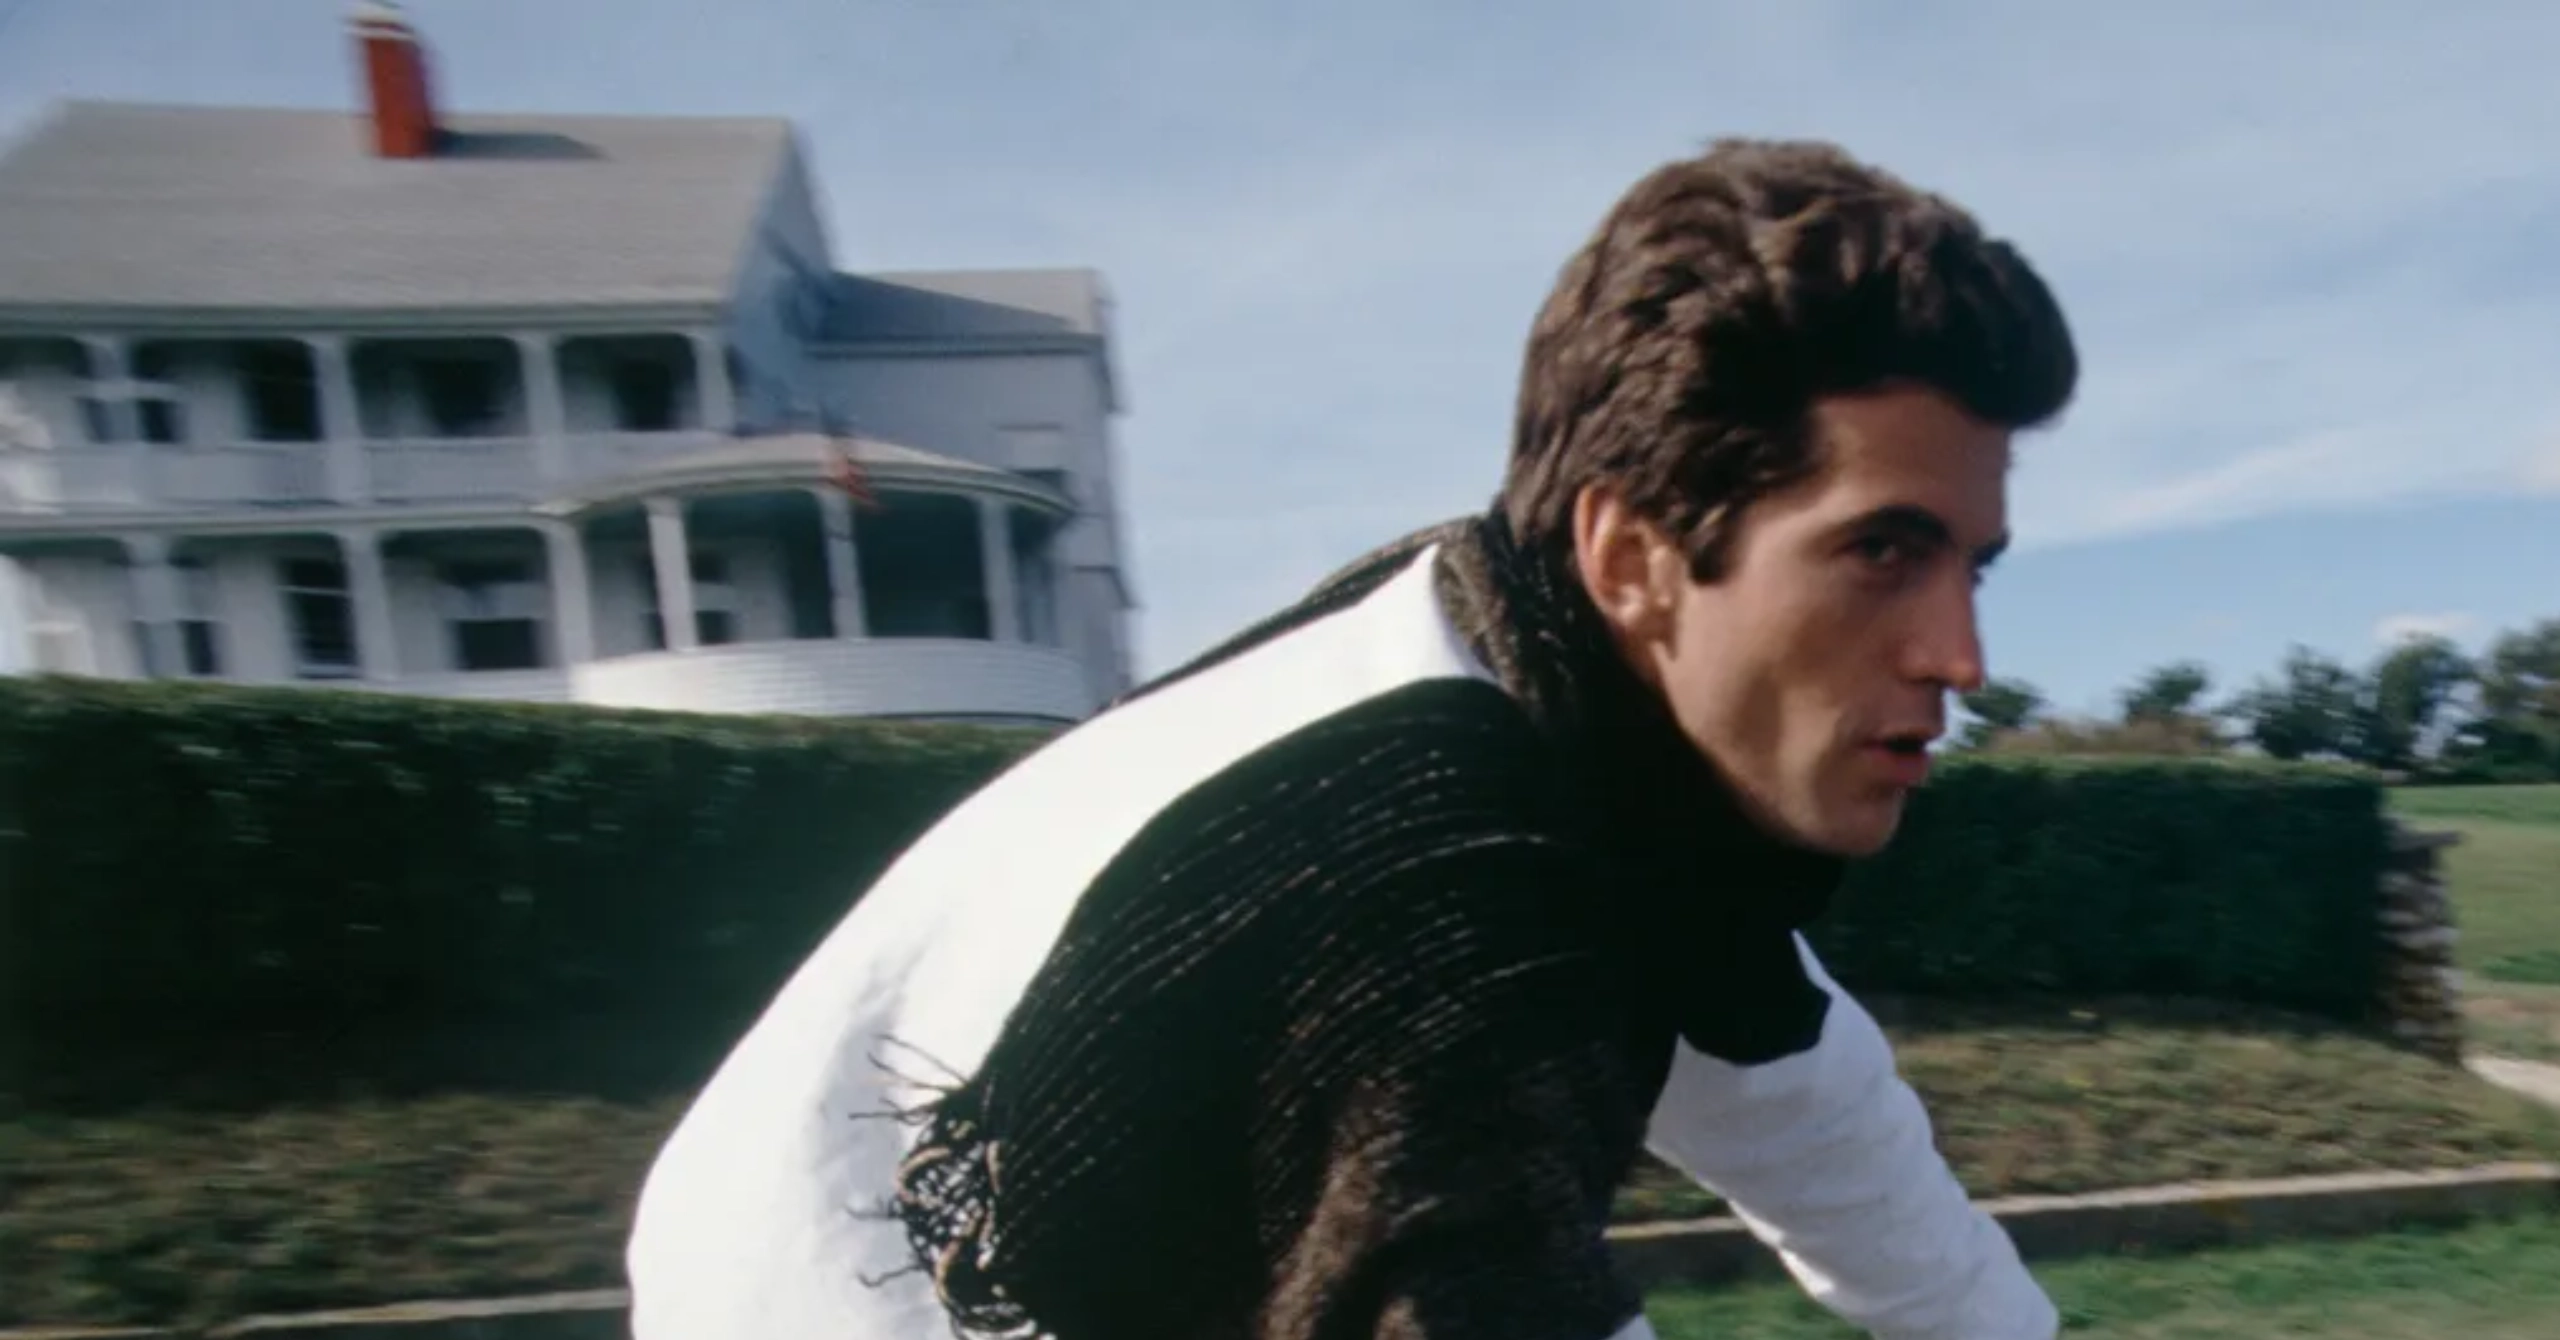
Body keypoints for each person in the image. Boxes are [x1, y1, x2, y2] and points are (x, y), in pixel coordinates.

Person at [626, 136, 2080, 1340]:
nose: (1960, 657)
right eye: (1882, 552)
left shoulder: (1539, 671)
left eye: (1973, 564)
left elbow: (1797, 1090)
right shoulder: (1439, 874)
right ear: (1633, 557)